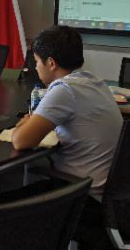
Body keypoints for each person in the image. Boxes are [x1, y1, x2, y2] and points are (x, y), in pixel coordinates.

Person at [11, 25, 122, 225]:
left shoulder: (65, 90)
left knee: (6, 199)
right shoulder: (95, 81)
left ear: (51, 63)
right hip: (108, 192)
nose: (36, 68)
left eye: (37, 61)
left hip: (82, 196)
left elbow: (20, 141)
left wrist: (26, 123)